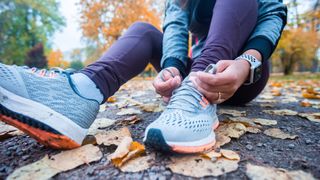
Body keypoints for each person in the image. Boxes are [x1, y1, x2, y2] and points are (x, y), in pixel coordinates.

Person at [0, 0, 287, 153]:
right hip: (195, 65)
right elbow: (175, 26)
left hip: (241, 69)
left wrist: (248, 60)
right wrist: (172, 66)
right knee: (143, 31)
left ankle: (199, 92)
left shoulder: (246, 63)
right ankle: (82, 91)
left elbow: (273, 12)